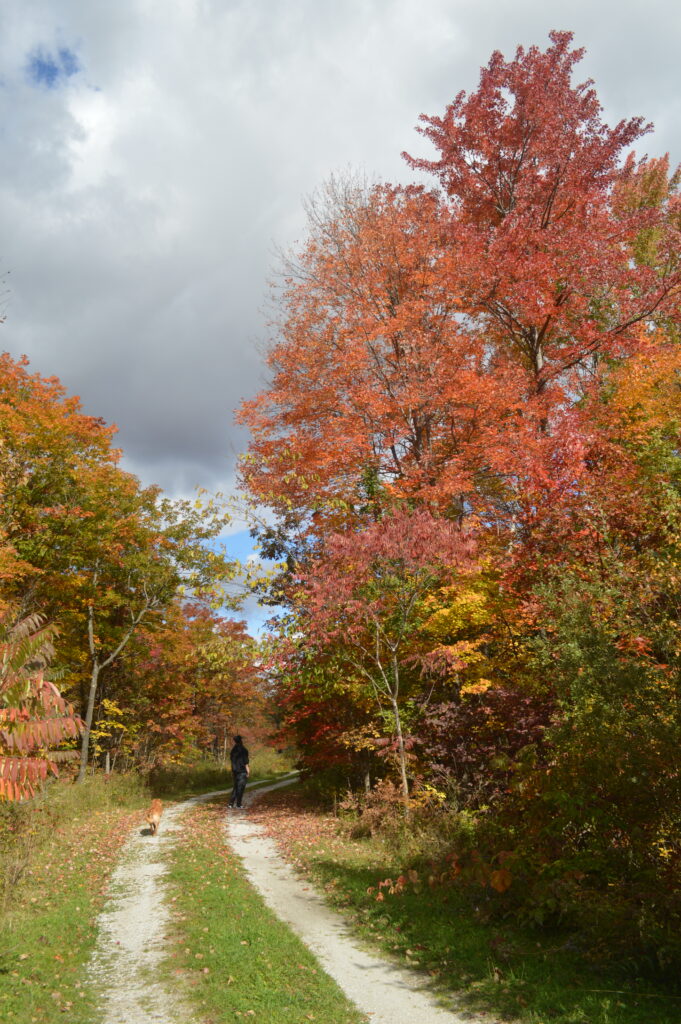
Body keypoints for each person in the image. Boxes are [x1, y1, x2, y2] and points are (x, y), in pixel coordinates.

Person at [228, 735, 250, 808]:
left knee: (236, 787)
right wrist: (248, 771)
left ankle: (231, 804)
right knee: (240, 788)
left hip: (235, 771)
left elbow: (232, 761)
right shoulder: (244, 750)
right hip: (242, 771)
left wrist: (232, 771)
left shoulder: (233, 751)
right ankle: (239, 804)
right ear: (241, 740)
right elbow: (246, 762)